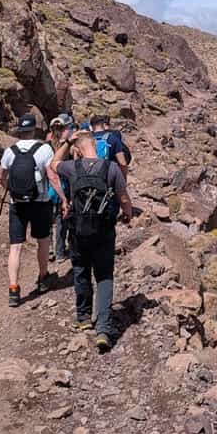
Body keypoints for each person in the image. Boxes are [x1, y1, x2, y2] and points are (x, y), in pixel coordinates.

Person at [51, 130, 132, 352]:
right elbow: (123, 197)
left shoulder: (72, 167)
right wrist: (128, 213)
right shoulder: (111, 168)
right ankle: (104, 329)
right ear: (96, 147)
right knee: (104, 276)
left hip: (78, 230)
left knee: (80, 269)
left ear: (78, 149)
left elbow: (54, 162)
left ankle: (84, 316)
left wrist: (67, 142)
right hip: (104, 231)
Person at [0, 113, 68, 307]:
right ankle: (43, 277)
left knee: (16, 246)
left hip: (17, 203)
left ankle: (13, 289)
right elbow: (52, 178)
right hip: (40, 202)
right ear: (34, 129)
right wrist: (63, 198)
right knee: (43, 240)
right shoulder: (44, 149)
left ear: (19, 130)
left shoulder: (9, 151)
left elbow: (2, 177)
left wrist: (11, 190)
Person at [46, 113, 76, 263]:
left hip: (48, 186)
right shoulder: (67, 145)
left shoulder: (46, 144)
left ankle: (49, 250)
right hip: (63, 186)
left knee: (49, 219)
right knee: (61, 220)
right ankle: (59, 252)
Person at [90, 113, 131, 180]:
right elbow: (122, 163)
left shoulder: (87, 139)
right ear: (103, 124)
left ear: (91, 126)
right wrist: (123, 179)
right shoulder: (113, 138)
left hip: (90, 176)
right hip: (109, 175)